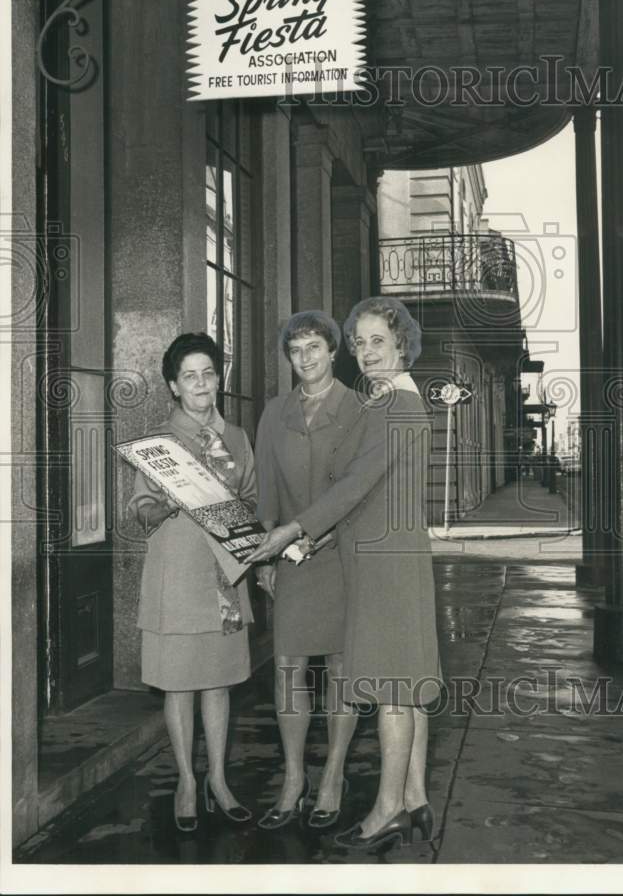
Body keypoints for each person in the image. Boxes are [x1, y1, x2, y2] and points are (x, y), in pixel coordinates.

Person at [248, 297, 442, 852]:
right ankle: (416, 798)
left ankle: (386, 812)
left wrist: (291, 532)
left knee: (391, 693)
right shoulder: (387, 400)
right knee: (405, 684)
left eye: (377, 341)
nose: (365, 352)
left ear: (402, 343)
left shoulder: (397, 406)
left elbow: (356, 482)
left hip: (385, 563)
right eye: (359, 342)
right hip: (383, 555)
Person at [128, 332, 255, 832]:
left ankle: (218, 780)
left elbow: (254, 499)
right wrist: (168, 501)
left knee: (219, 683)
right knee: (179, 684)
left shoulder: (240, 438)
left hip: (224, 575)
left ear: (217, 379)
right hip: (176, 573)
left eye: (208, 373)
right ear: (174, 387)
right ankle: (186, 780)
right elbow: (140, 511)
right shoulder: (158, 442)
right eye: (189, 376)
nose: (201, 383)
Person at [253, 311, 362, 830]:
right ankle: (294, 777)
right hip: (292, 560)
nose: (305, 358)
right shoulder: (274, 413)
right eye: (296, 349)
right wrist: (266, 559)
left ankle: (334, 774)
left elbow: (362, 490)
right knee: (288, 671)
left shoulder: (358, 408)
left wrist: (319, 533)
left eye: (314, 346)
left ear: (333, 349)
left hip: (344, 558)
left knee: (342, 671)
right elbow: (267, 492)